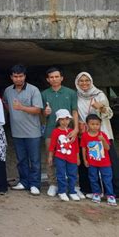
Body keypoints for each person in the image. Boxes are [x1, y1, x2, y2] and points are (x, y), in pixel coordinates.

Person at [75, 72, 119, 196]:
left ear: (91, 81)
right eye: (81, 81)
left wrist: (101, 107)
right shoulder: (76, 96)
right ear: (77, 83)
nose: (84, 83)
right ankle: (89, 189)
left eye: (87, 80)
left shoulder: (99, 95)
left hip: (102, 133)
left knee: (110, 162)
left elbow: (109, 114)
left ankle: (114, 191)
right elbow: (76, 112)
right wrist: (79, 123)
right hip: (86, 134)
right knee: (87, 162)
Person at [2, 64, 43, 196]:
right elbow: (5, 103)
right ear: (11, 77)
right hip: (17, 132)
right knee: (21, 159)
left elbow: (37, 110)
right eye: (15, 76)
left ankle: (35, 184)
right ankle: (24, 182)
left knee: (35, 160)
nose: (18, 79)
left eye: (20, 76)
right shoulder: (8, 90)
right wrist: (13, 112)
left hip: (33, 132)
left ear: (25, 76)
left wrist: (21, 108)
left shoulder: (33, 90)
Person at [42, 66, 79, 197]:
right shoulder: (44, 94)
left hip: (69, 132)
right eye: (51, 77)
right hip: (51, 131)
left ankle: (72, 185)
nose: (54, 79)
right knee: (51, 157)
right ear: (48, 79)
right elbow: (41, 115)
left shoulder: (71, 93)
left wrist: (76, 129)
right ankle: (53, 183)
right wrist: (44, 113)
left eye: (57, 76)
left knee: (71, 157)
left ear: (62, 78)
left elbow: (74, 111)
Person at [81, 114, 117, 206]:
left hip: (105, 163)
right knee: (93, 178)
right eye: (92, 124)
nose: (95, 126)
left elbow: (108, 148)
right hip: (92, 162)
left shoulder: (103, 135)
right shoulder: (85, 136)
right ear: (87, 124)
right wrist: (85, 160)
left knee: (107, 179)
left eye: (97, 124)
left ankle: (110, 195)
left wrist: (103, 140)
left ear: (100, 125)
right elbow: (84, 148)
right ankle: (96, 193)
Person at [47, 109, 80, 202]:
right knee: (61, 174)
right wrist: (50, 156)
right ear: (58, 120)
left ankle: (72, 191)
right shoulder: (55, 131)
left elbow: (76, 146)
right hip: (60, 157)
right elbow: (52, 145)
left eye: (66, 119)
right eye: (61, 119)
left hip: (72, 157)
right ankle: (62, 191)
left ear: (70, 120)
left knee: (72, 175)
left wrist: (77, 157)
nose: (64, 122)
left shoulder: (73, 132)